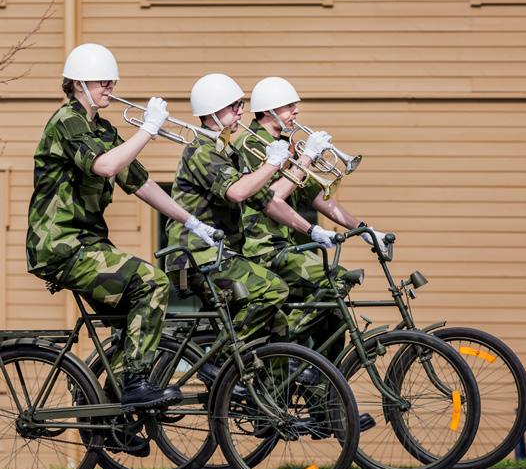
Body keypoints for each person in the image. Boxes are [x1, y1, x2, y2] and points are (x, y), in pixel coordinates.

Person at [26, 43, 217, 411]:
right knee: (153, 282)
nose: (110, 88)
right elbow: (104, 167)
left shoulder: (103, 129)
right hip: (61, 245)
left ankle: (109, 404)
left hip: (89, 244)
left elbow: (141, 184)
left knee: (132, 320)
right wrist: (147, 130)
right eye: (103, 83)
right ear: (79, 84)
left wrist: (191, 221)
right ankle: (133, 386)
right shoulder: (66, 121)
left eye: (112, 82)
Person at [165, 73, 338, 363]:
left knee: (278, 326)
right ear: (212, 113)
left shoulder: (227, 151)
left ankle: (271, 401)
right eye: (233, 107)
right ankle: (227, 359)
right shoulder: (202, 150)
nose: (241, 112)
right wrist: (272, 163)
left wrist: (311, 231)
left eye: (240, 105)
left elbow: (267, 202)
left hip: (220, 254)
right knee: (272, 289)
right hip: (197, 256)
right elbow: (237, 192)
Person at [236, 77, 387, 366]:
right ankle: (278, 348)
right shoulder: (251, 143)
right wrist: (305, 158)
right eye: (289, 106)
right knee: (338, 278)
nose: (296, 112)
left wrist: (364, 229)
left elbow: (317, 197)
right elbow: (272, 198)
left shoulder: (286, 145)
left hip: (284, 246)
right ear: (268, 111)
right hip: (260, 248)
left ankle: (321, 394)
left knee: (334, 316)